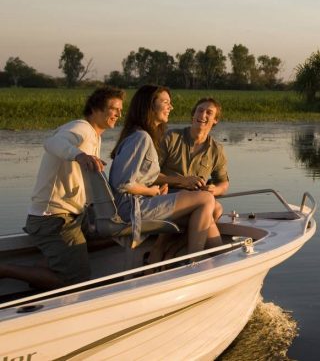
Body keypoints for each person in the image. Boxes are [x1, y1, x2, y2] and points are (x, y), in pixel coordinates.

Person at [0, 86, 124, 290]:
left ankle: (46, 267)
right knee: (75, 280)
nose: (119, 114)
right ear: (96, 108)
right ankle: (5, 270)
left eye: (120, 110)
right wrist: (79, 155)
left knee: (115, 233)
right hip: (53, 218)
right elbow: (53, 142)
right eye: (113, 108)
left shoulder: (95, 136)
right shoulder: (81, 128)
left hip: (73, 216)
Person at [108, 85, 222, 256]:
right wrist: (151, 191)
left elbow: (141, 177)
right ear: (150, 105)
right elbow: (123, 184)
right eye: (165, 102)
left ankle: (214, 256)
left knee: (208, 208)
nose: (171, 107)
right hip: (132, 209)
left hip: (137, 204)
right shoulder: (141, 137)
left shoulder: (143, 135)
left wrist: (160, 187)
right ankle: (195, 262)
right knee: (206, 199)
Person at [155, 97, 230, 220]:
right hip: (166, 197)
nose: (203, 115)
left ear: (215, 120)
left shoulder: (217, 149)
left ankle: (180, 239)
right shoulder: (170, 137)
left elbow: (224, 182)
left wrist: (215, 189)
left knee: (217, 209)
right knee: (209, 206)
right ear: (193, 115)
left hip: (198, 199)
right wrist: (182, 180)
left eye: (209, 113)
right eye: (199, 111)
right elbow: (150, 175)